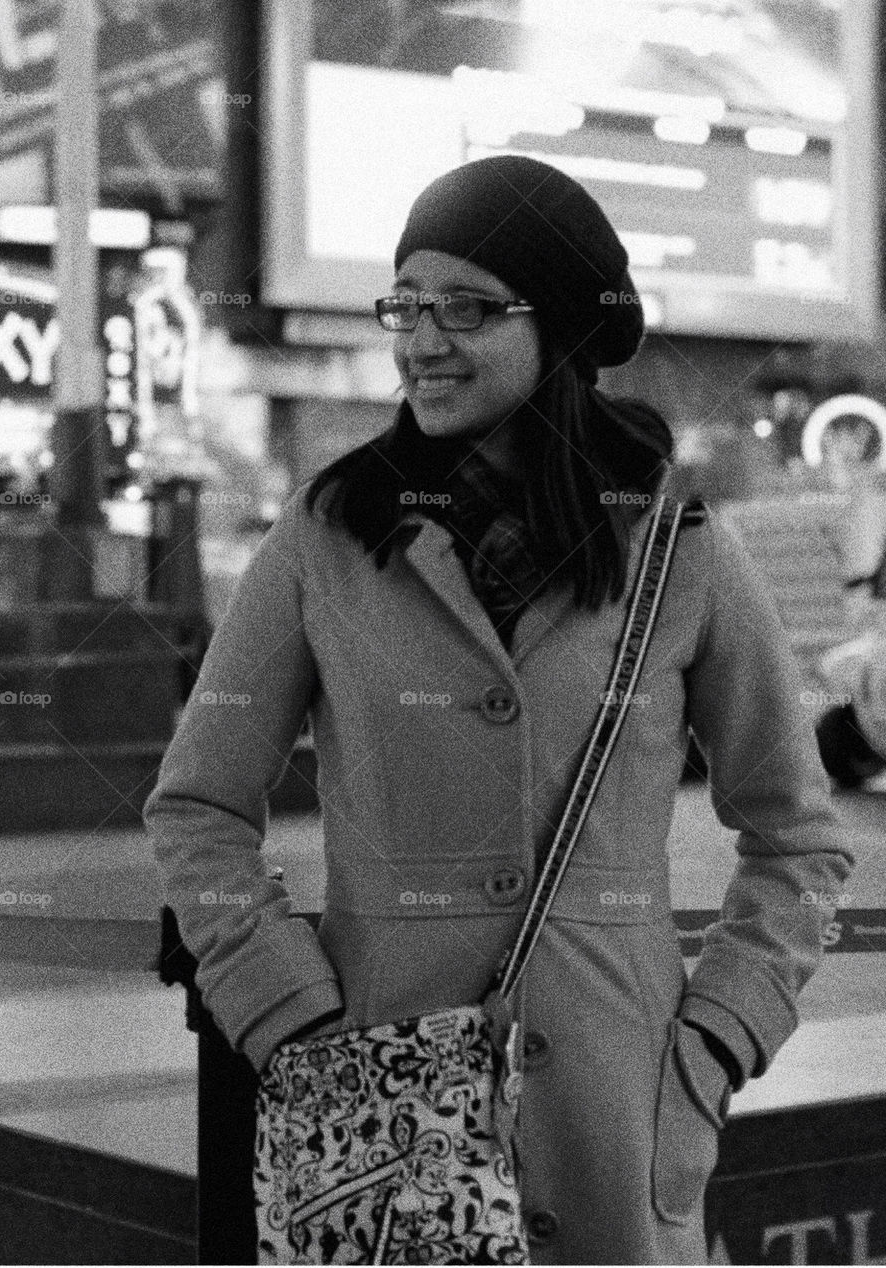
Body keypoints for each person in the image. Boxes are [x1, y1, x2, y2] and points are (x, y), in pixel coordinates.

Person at [144, 155, 855, 1265]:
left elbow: (800, 838)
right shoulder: (326, 540)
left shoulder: (680, 555)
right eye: (406, 305)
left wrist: (717, 1039)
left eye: (466, 307)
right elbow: (196, 806)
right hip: (384, 1123)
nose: (422, 340)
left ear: (561, 328)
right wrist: (286, 1013)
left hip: (624, 1121)